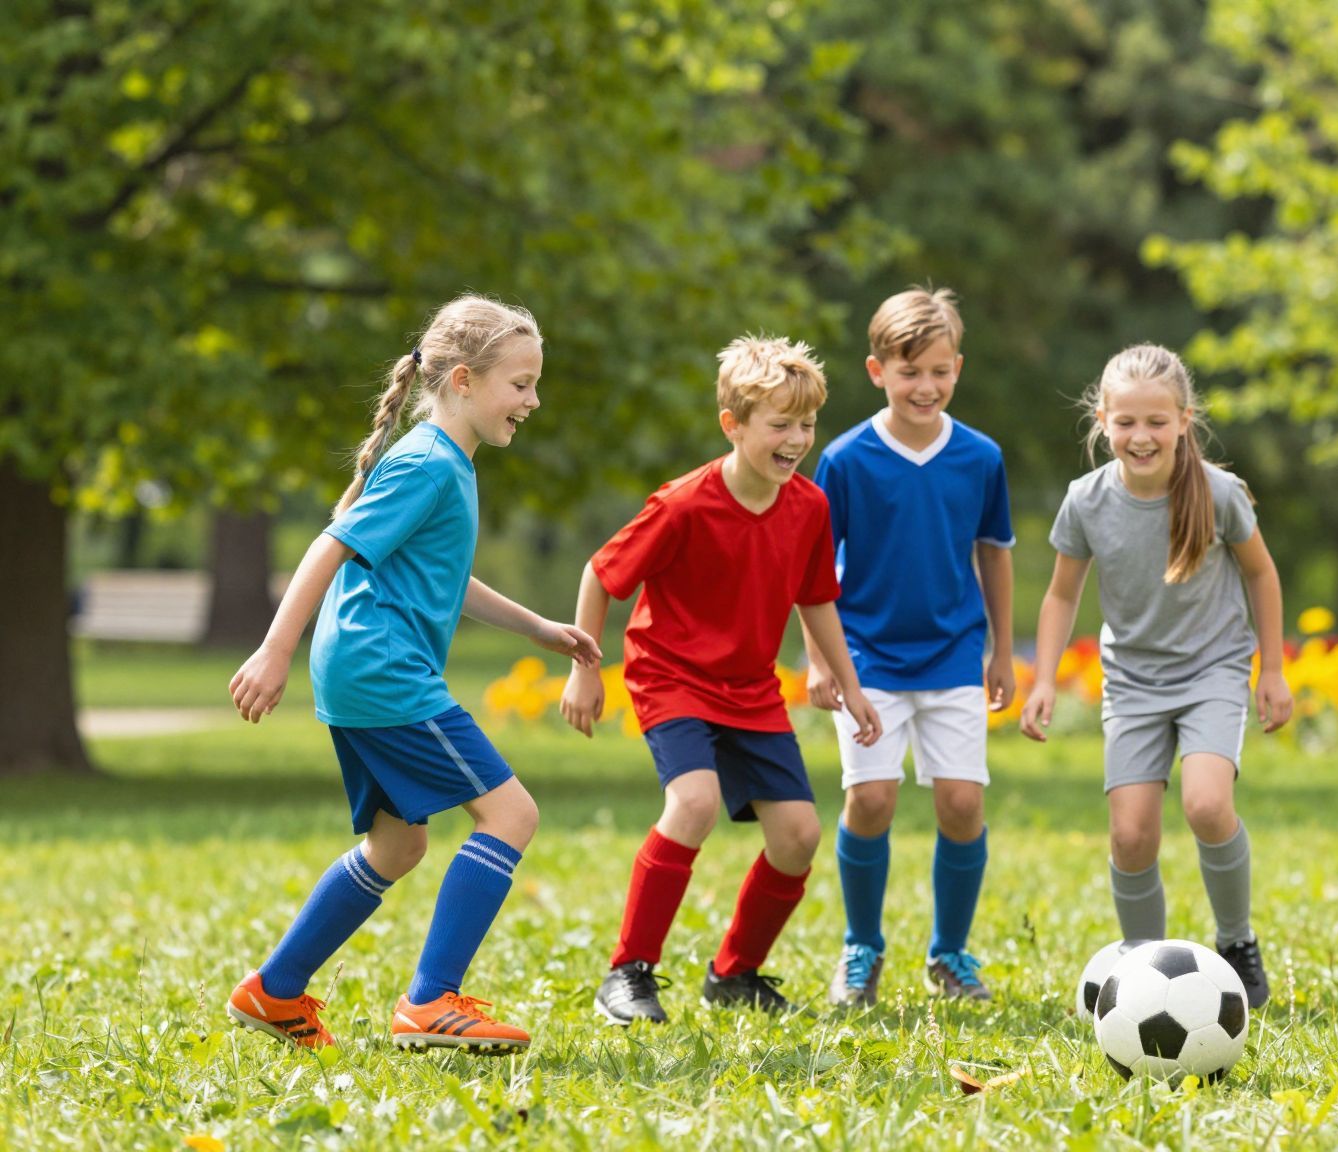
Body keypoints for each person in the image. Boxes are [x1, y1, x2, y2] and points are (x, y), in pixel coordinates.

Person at [226, 295, 598, 1052]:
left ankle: (275, 991)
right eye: (520, 384)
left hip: (361, 674)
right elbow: (330, 545)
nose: (533, 400)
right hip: (386, 672)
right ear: (463, 380)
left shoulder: (447, 463)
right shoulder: (430, 463)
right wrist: (273, 648)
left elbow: (446, 576)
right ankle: (430, 1003)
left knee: (397, 847)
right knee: (512, 815)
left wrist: (539, 628)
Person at [570, 336, 881, 1023]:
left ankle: (735, 975)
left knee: (798, 835)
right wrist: (585, 670)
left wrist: (846, 683)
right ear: (733, 425)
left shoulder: (808, 507)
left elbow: (816, 597)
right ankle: (628, 974)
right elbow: (601, 573)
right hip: (671, 676)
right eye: (780, 424)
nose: (797, 439)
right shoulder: (683, 504)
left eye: (806, 424)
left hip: (750, 688)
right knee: (694, 804)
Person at [1020, 344, 1293, 1008]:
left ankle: (1236, 942)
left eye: (1156, 422)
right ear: (1103, 420)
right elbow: (1060, 595)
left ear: (1183, 421)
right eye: (1126, 422)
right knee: (1130, 834)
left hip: (1213, 670)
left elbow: (1261, 571)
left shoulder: (1219, 494)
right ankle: (1145, 969)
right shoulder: (1085, 500)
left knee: (1206, 805)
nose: (1141, 437)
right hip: (1134, 681)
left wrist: (1273, 669)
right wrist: (1046, 679)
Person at [805, 288, 1016, 1006]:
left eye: (939, 371)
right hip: (866, 654)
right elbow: (810, 568)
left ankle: (951, 955)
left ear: (958, 367)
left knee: (961, 802)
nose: (925, 387)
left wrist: (1002, 649)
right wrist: (817, 659)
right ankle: (861, 947)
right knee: (871, 799)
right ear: (877, 370)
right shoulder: (844, 459)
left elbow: (994, 553)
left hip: (954, 652)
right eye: (909, 372)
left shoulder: (981, 457)